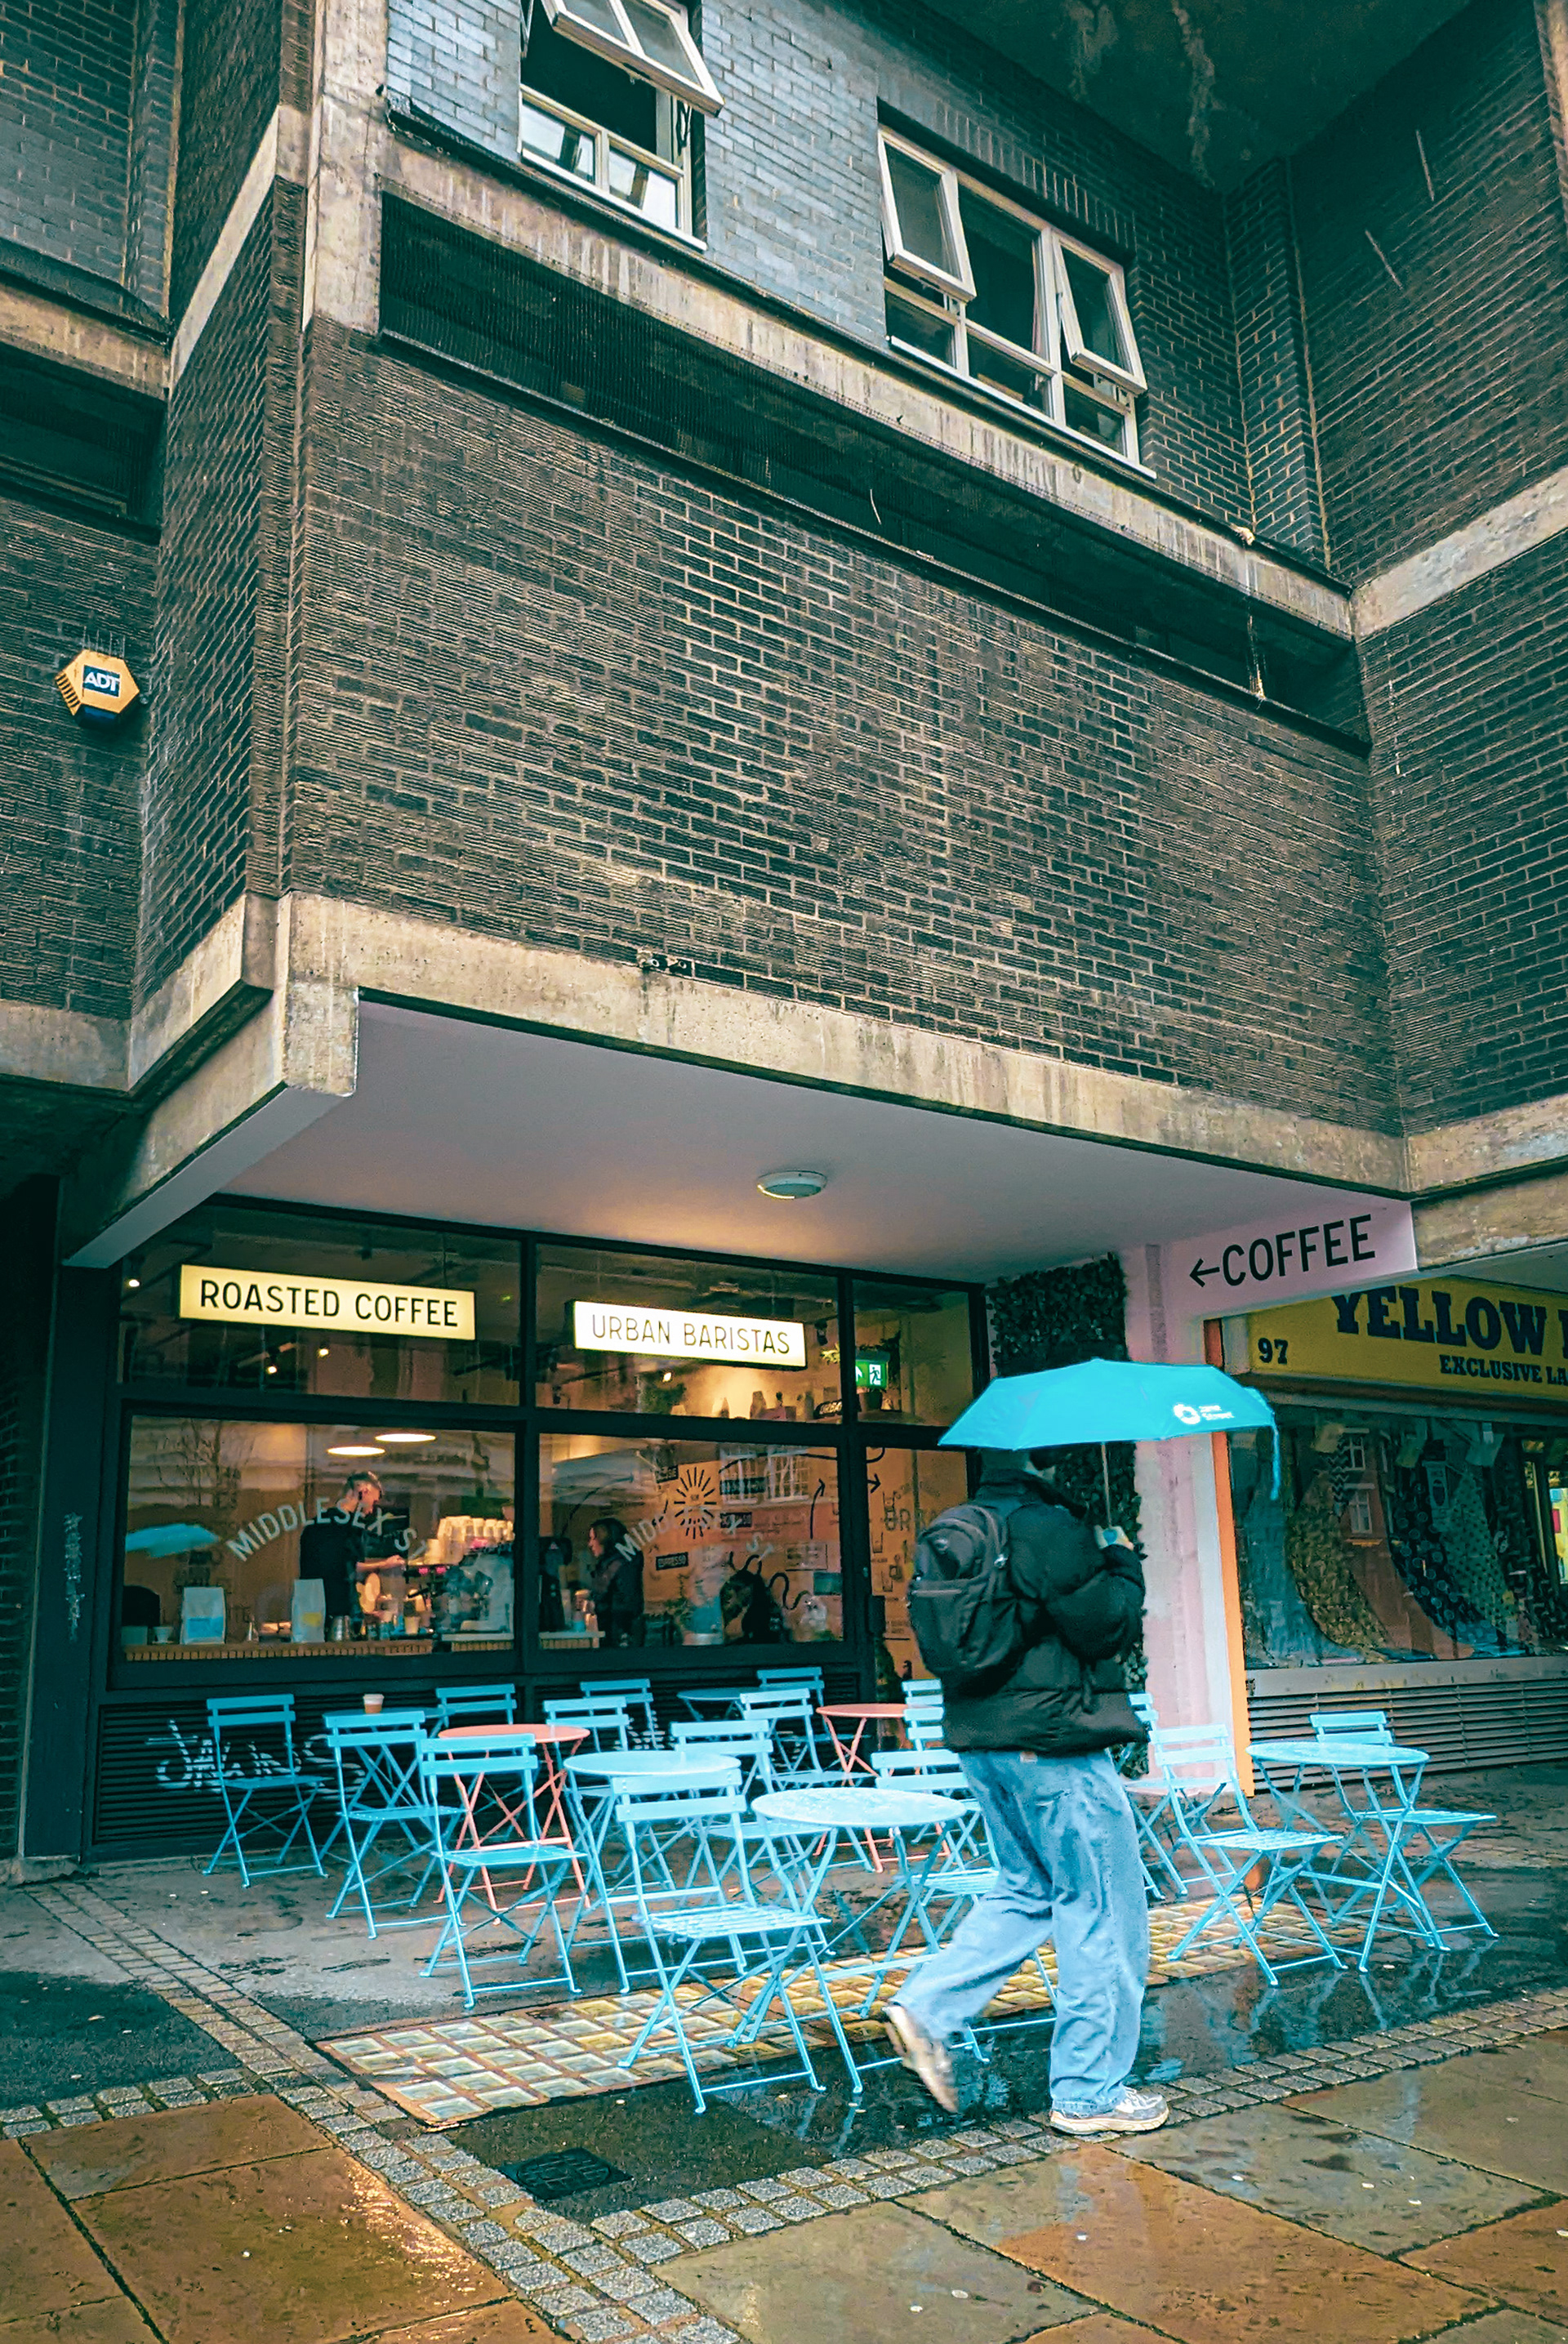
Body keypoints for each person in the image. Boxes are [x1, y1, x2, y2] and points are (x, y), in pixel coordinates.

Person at [887, 1449, 1165, 2137]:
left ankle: (926, 2008)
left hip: (984, 1747)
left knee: (1028, 1890)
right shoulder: (1047, 1529)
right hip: (1056, 1746)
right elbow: (1106, 1625)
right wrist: (1121, 1560)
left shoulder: (962, 1527)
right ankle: (1089, 2094)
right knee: (1101, 1910)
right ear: (1047, 1461)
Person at [298, 1471, 383, 1630]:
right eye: (374, 1502)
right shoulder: (352, 1528)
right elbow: (350, 1569)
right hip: (338, 1613)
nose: (372, 1510)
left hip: (309, 1607)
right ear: (363, 1492)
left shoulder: (314, 1525)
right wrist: (384, 1565)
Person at [586, 1516, 645, 1648]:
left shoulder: (615, 1565)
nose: (590, 1544)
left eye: (593, 1538)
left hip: (618, 1629)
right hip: (622, 1628)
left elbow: (619, 1598)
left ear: (604, 1538)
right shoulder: (624, 1561)